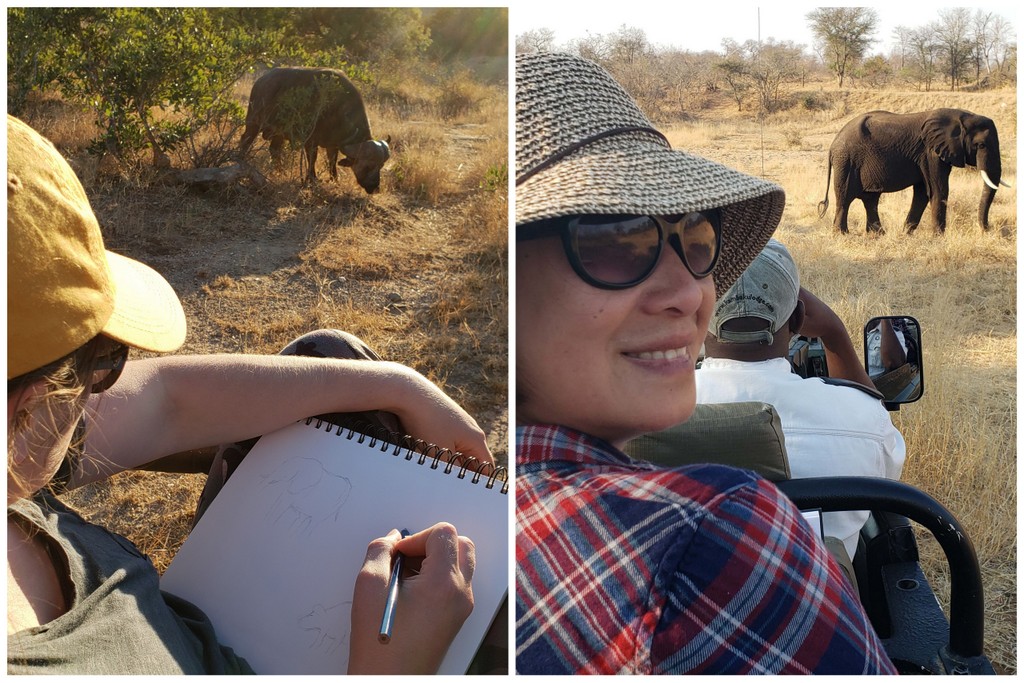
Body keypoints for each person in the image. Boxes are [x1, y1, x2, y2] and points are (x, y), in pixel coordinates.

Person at [6, 113, 489, 674]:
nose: (104, 389)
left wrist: (400, 384)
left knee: (328, 354)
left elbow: (167, 397)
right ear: (32, 402)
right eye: (105, 361)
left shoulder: (18, 465)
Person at [515, 52, 896, 675]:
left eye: (696, 238)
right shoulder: (713, 529)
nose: (690, 291)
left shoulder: (468, 502)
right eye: (614, 240)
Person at [693, 239, 907, 561]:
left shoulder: (648, 416)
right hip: (822, 607)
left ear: (697, 314)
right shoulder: (863, 421)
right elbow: (887, 472)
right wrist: (834, 333)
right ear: (797, 320)